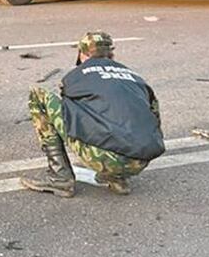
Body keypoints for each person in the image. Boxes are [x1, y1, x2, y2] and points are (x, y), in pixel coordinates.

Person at [21, 32, 164, 198]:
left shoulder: (76, 76)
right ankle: (118, 178)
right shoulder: (135, 77)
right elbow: (154, 116)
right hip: (140, 161)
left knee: (39, 95)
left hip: (103, 157)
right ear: (112, 54)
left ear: (82, 54)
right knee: (128, 112)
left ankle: (60, 178)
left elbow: (71, 109)